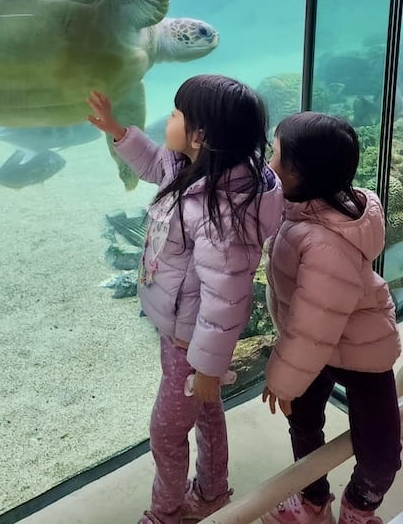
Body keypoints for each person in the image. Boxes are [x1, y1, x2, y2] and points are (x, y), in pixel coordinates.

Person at [87, 75, 284, 524]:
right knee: (206, 411)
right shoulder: (193, 167)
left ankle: (166, 513)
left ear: (200, 136)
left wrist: (207, 368)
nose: (168, 119)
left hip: (191, 344)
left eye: (176, 113)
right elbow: (155, 163)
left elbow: (225, 299)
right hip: (182, 333)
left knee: (165, 432)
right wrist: (119, 132)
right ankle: (212, 492)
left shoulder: (222, 215)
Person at [262, 112, 402, 524]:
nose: (268, 162)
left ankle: (358, 508)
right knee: (304, 424)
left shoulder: (323, 243)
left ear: (300, 173)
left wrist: (283, 380)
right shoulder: (302, 207)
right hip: (315, 350)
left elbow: (313, 324)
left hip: (360, 352)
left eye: (275, 154)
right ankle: (313, 501)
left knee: (381, 452)